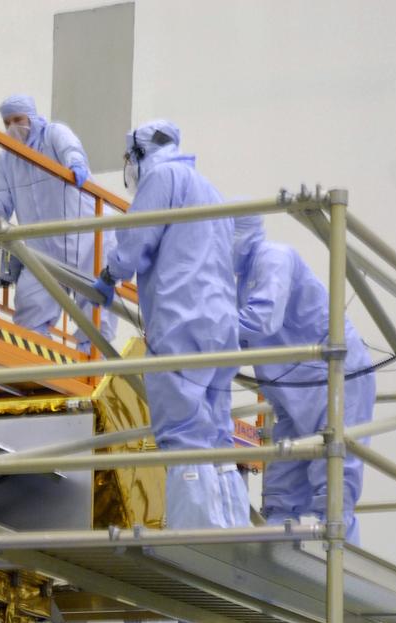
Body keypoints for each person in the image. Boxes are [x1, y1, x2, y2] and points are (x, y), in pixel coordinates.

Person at [91, 121, 249, 528]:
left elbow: (137, 238)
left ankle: (193, 533)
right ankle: (231, 526)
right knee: (217, 433)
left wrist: (110, 274)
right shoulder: (207, 187)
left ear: (139, 152)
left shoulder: (161, 177)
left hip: (183, 320)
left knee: (182, 429)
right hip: (220, 324)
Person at [232, 215, 375, 543]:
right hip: (292, 390)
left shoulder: (274, 257)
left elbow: (262, 320)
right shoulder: (243, 280)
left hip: (334, 378)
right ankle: (278, 556)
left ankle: (339, 562)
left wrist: (206, 333)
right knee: (282, 488)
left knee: (333, 485)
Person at [0, 94, 117, 351]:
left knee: (95, 310)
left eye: (18, 119)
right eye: (7, 122)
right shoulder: (6, 159)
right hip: (42, 247)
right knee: (29, 310)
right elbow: (2, 203)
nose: (13, 127)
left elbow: (71, 151)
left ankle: (92, 361)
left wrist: (76, 164)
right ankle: (40, 359)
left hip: (87, 237)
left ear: (31, 116)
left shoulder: (53, 134)